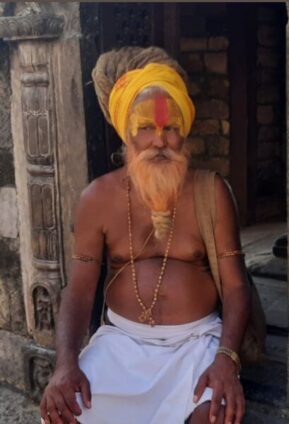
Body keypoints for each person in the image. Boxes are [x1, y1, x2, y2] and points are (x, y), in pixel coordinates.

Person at [38, 47, 250, 424]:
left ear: (184, 132)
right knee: (64, 416)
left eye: (171, 128)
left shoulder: (211, 192)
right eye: (146, 127)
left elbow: (235, 287)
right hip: (121, 344)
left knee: (216, 417)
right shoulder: (97, 198)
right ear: (126, 133)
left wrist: (226, 359)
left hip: (196, 344)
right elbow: (80, 291)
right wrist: (65, 366)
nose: (159, 141)